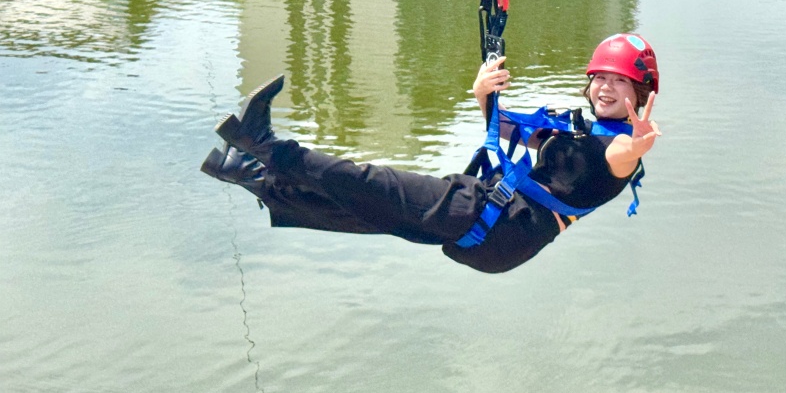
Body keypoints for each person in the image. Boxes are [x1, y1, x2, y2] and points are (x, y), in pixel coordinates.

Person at [201, 33, 662, 274]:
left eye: (620, 81)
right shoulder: (574, 127)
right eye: (601, 77)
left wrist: (639, 140)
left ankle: (264, 143)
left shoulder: (620, 150)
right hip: (495, 230)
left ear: (640, 92)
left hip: (502, 222)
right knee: (368, 211)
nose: (606, 87)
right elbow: (500, 127)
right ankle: (252, 175)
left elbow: (625, 154)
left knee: (374, 183)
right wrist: (483, 93)